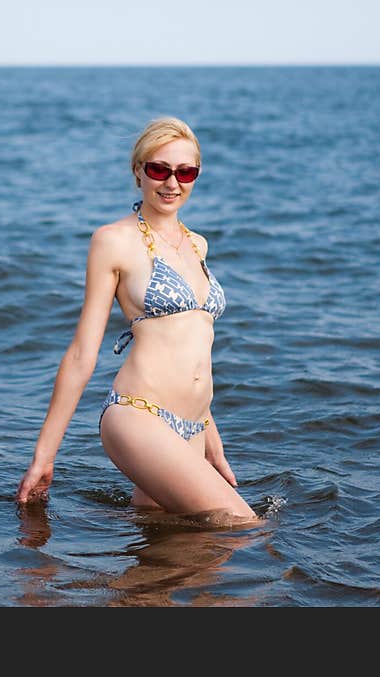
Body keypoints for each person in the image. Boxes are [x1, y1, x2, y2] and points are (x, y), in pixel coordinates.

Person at [16, 117, 260, 525]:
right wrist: (44, 457)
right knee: (242, 526)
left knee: (173, 554)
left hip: (192, 426)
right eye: (158, 169)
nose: (171, 183)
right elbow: (81, 354)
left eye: (185, 172)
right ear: (138, 172)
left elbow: (193, 350)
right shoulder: (113, 240)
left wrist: (212, 443)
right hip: (137, 416)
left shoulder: (197, 244)